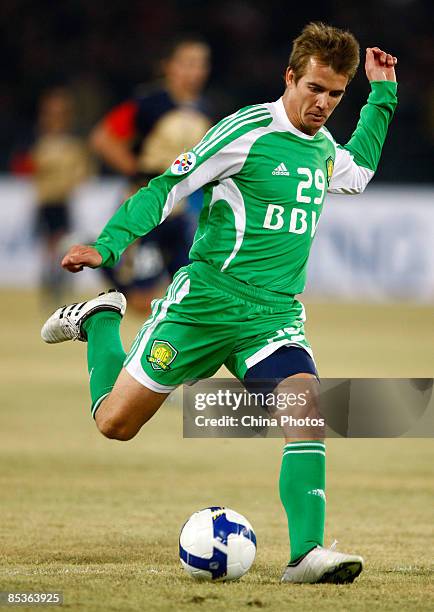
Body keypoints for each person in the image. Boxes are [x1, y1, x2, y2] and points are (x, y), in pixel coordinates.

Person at [41, 23, 398, 583]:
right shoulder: (245, 132)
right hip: (202, 307)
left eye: (335, 94)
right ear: (289, 77)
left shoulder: (324, 147)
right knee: (115, 424)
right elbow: (167, 188)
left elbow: (359, 174)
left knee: (306, 412)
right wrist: (107, 245)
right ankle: (103, 318)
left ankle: (306, 554)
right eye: (314, 89)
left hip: (273, 316)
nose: (323, 104)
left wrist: (382, 94)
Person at [89, 37, 212, 315]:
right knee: (141, 302)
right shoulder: (149, 103)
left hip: (180, 212)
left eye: (201, 64)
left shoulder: (204, 108)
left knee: (191, 296)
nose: (195, 71)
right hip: (147, 210)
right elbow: (102, 139)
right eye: (188, 63)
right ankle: (100, 257)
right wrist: (140, 174)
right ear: (169, 66)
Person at [15, 88, 92, 305]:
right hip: (46, 201)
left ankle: (59, 282)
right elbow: (28, 167)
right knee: (49, 245)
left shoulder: (72, 143)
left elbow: (82, 172)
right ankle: (51, 284)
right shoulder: (38, 141)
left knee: (60, 243)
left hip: (62, 201)